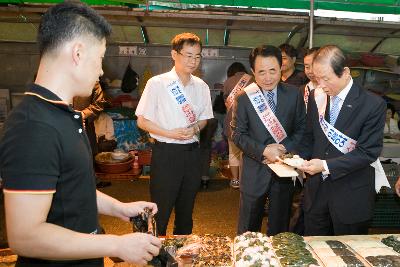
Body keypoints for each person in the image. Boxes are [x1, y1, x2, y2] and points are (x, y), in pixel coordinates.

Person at [0, 2, 161, 266]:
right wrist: (117, 244)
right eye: (99, 59)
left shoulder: (62, 114)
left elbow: (71, 187)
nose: (100, 71)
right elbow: (25, 236)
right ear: (77, 53)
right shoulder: (34, 126)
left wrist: (119, 209)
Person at [298, 45, 386, 236]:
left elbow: (368, 152)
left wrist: (325, 166)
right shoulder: (316, 96)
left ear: (345, 72)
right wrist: (296, 159)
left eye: (326, 79)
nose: (320, 84)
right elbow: (309, 136)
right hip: (316, 194)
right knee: (315, 252)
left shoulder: (372, 104)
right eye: (316, 78)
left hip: (350, 196)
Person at [135, 32, 213, 236]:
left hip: (192, 154)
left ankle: (182, 254)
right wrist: (169, 133)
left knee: (186, 211)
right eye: (188, 55)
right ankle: (155, 255)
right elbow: (142, 121)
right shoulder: (158, 83)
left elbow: (204, 119)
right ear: (174, 54)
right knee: (160, 209)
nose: (193, 61)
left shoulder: (202, 86)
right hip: (166, 154)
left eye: (197, 56)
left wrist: (195, 128)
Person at [231, 45, 306, 236]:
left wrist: (282, 150)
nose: (268, 77)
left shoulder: (294, 94)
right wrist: (264, 151)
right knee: (248, 230)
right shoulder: (244, 97)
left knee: (280, 230)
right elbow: (237, 134)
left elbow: (302, 129)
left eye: (272, 70)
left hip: (284, 170)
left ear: (281, 68)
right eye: (261, 72)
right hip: (254, 170)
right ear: (253, 72)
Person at [73, 82, 111, 188]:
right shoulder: (60, 75)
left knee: (87, 153)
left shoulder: (92, 80)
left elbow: (99, 102)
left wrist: (83, 114)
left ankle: (91, 181)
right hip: (61, 121)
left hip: (85, 122)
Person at [223, 62, 253, 189]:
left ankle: (235, 180)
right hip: (249, 124)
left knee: (233, 153)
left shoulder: (228, 81)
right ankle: (244, 181)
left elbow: (225, 101)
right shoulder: (253, 79)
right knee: (246, 153)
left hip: (231, 123)